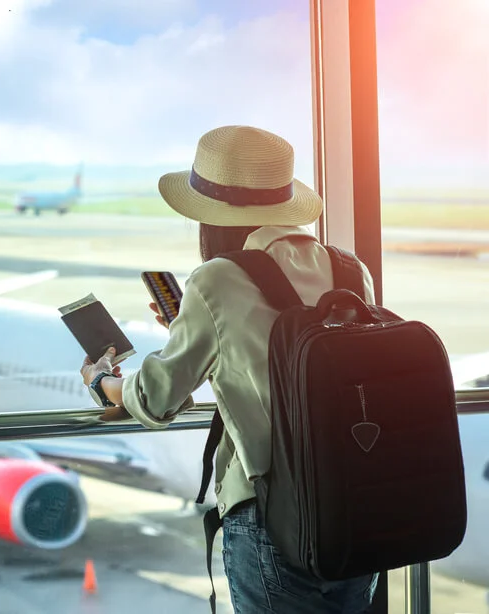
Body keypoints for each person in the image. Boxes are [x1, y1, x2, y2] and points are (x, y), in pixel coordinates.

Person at [79, 125, 379, 613]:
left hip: (273, 516)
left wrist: (103, 381)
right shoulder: (350, 271)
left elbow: (156, 400)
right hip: (356, 506)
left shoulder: (218, 280)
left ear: (211, 219)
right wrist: (199, 328)